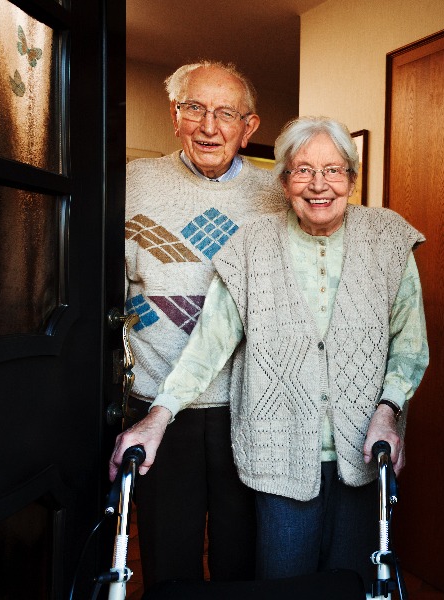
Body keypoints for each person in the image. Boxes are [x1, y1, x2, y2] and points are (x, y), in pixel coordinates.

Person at [111, 116, 429, 586]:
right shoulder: (250, 246)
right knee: (283, 584)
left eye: (334, 170)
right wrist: (157, 417)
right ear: (283, 181)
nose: (318, 185)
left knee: (355, 585)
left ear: (352, 178)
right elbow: (209, 344)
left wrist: (389, 410)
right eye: (302, 170)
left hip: (365, 452)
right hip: (279, 456)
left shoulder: (388, 238)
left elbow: (410, 343)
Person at [111, 60, 285, 589]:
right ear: (174, 115)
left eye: (226, 113)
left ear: (249, 127)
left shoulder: (277, 195)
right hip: (159, 404)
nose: (209, 127)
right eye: (195, 109)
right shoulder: (129, 183)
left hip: (247, 405)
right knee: (169, 560)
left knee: (241, 560)